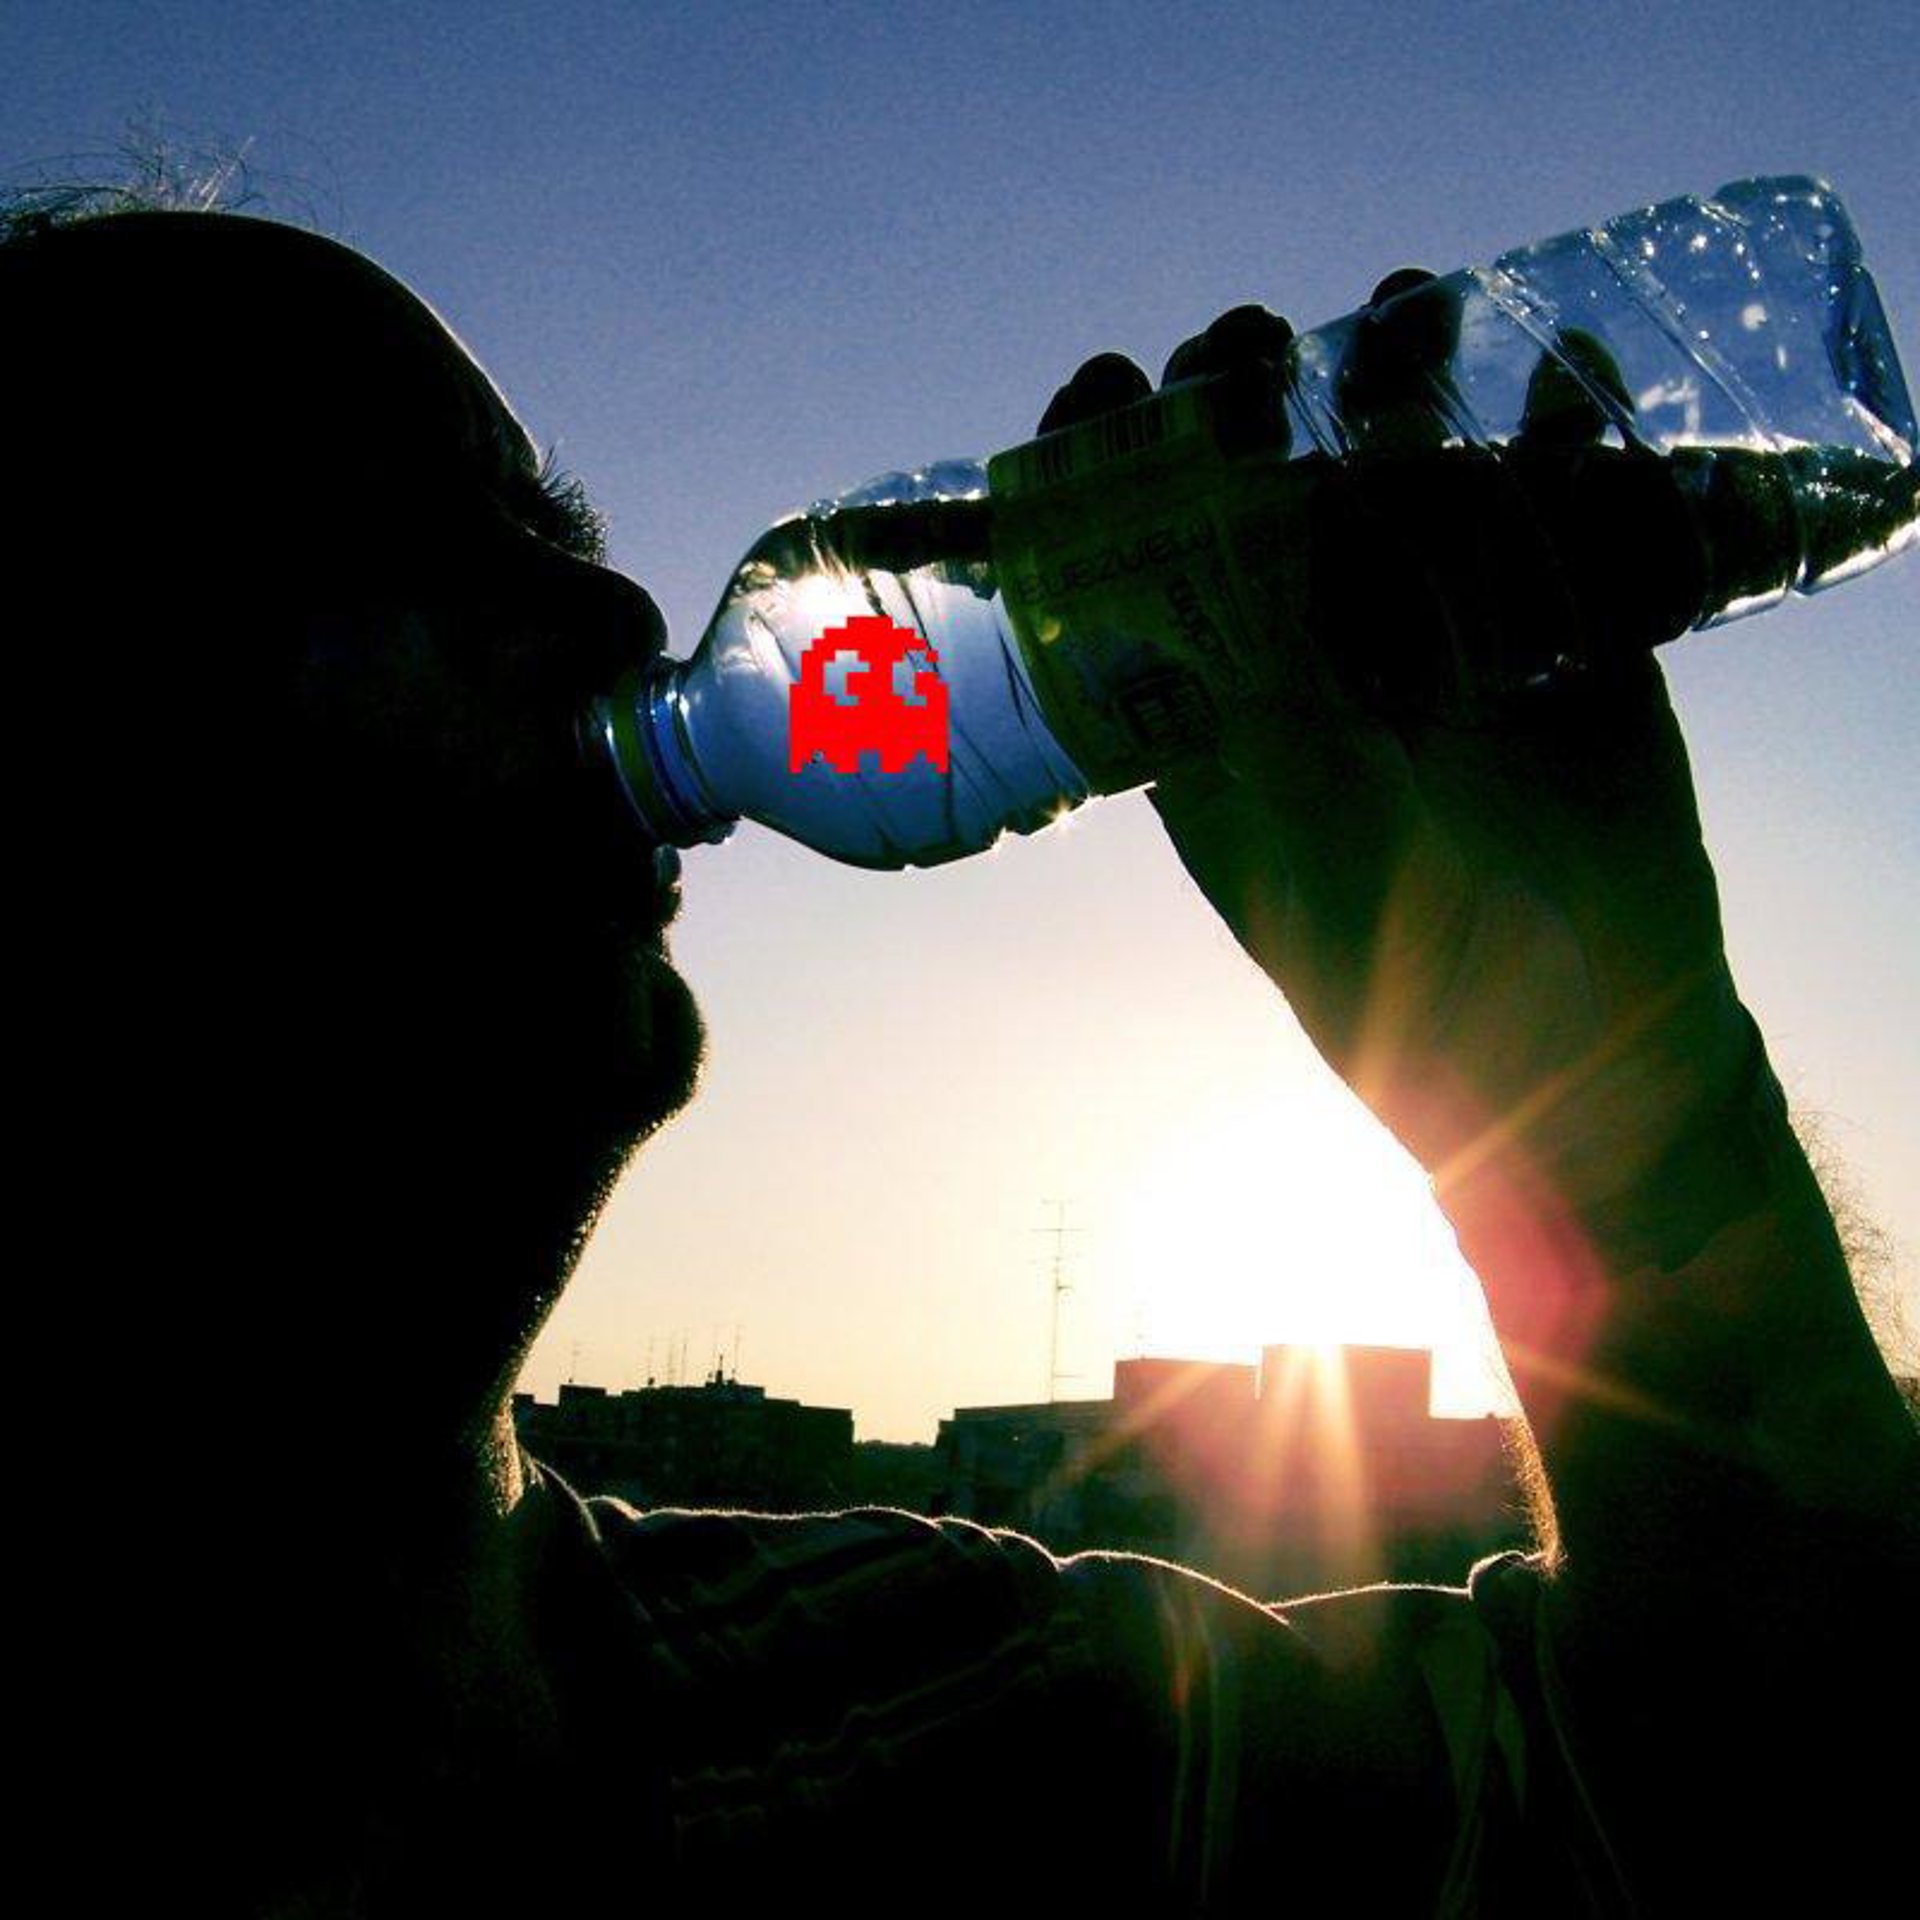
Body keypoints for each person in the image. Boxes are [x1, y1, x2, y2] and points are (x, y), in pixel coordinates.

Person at [9, 199, 1914, 1918]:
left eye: (561, 538)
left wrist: (1608, 1098)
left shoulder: (968, 1707)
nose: (611, 610)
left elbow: (1757, 1838)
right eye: (371, 533)